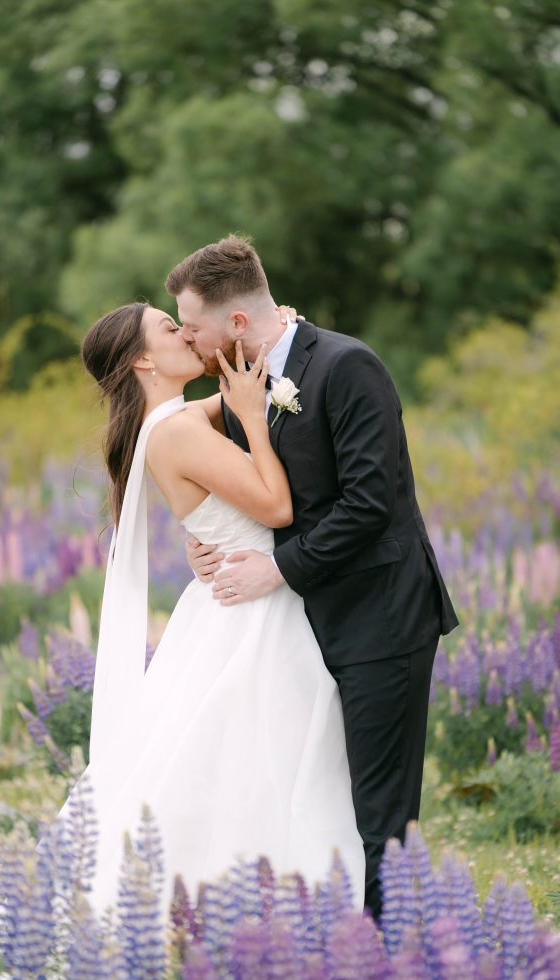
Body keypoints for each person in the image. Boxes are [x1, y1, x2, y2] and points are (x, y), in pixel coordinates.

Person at [168, 234, 459, 920]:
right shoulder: (237, 382)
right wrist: (202, 538)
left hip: (379, 616)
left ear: (236, 322)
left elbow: (369, 503)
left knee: (378, 812)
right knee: (315, 798)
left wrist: (275, 568)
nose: (187, 336)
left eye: (192, 325)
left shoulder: (348, 366)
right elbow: (240, 482)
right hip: (296, 632)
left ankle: (389, 951)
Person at [44, 301, 365, 921]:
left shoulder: (173, 419)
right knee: (261, 761)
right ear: (143, 359)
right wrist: (250, 413)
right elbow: (274, 508)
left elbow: (252, 375)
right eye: (170, 329)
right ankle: (263, 911)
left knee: (230, 761)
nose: (186, 334)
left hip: (233, 602)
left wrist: (273, 331)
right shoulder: (177, 431)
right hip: (251, 614)